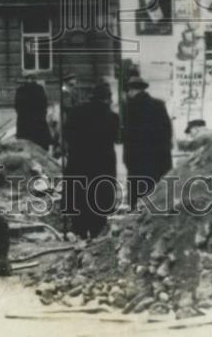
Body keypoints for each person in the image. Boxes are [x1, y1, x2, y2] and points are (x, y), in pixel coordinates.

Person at [65, 81, 120, 239]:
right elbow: (117, 138)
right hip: (102, 165)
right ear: (108, 98)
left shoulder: (76, 112)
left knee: (79, 196)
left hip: (79, 163)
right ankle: (97, 233)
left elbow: (67, 135)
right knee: (99, 199)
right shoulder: (112, 117)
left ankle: (79, 231)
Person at [123, 75, 172, 210]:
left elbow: (128, 134)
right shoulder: (159, 104)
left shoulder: (130, 106)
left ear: (131, 90)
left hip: (137, 156)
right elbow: (167, 130)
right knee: (154, 188)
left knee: (137, 189)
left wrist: (126, 158)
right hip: (158, 156)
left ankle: (135, 211)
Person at [14, 75, 51, 150]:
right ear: (34, 79)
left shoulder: (20, 90)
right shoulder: (40, 89)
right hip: (38, 122)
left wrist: (21, 115)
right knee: (41, 145)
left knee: (25, 146)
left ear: (26, 79)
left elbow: (17, 106)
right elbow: (44, 104)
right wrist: (42, 115)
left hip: (24, 123)